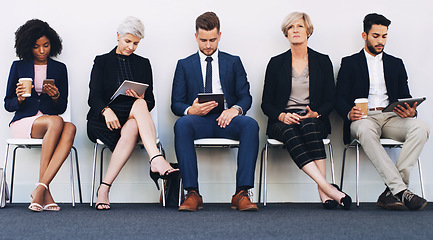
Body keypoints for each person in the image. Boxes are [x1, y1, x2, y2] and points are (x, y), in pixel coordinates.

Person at [336, 13, 429, 210]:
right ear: (364, 35)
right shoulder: (350, 63)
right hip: (363, 118)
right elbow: (339, 98)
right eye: (376, 36)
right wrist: (348, 113)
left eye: (384, 36)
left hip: (391, 116)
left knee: (420, 128)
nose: (380, 41)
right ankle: (402, 190)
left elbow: (405, 96)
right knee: (366, 130)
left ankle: (392, 191)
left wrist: (410, 112)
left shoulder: (396, 64)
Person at [261, 12, 351, 210]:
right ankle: (328, 189)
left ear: (308, 31)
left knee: (309, 124)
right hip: (282, 121)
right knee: (290, 131)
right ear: (286, 34)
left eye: (299, 26)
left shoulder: (322, 61)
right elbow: (266, 103)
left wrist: (316, 114)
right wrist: (283, 116)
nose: (295, 30)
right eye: (291, 27)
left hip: (312, 117)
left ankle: (323, 190)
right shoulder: (276, 63)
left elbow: (331, 99)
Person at [87, 16, 178, 210]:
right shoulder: (102, 61)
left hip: (130, 119)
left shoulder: (143, 64)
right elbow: (93, 97)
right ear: (118, 36)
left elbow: (150, 101)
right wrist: (106, 110)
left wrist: (143, 98)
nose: (131, 47)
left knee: (137, 114)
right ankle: (156, 159)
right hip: (102, 120)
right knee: (138, 106)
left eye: (136, 43)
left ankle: (103, 189)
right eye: (127, 41)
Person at [171, 12, 259, 211]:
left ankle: (242, 193)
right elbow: (175, 103)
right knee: (181, 124)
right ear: (196, 37)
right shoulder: (184, 65)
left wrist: (235, 110)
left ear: (220, 35)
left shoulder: (233, 61)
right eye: (203, 40)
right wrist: (190, 110)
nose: (208, 45)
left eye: (212, 39)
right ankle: (192, 192)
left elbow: (246, 97)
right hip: (198, 122)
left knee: (250, 125)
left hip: (227, 120)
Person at [4, 19, 76, 212]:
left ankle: (40, 188)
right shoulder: (18, 67)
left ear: (52, 44)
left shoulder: (59, 69)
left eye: (46, 45)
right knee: (56, 122)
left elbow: (61, 107)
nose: (42, 51)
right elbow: (7, 104)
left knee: (70, 127)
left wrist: (56, 96)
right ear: (28, 47)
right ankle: (44, 193)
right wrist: (18, 99)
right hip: (24, 123)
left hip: (52, 123)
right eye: (36, 47)